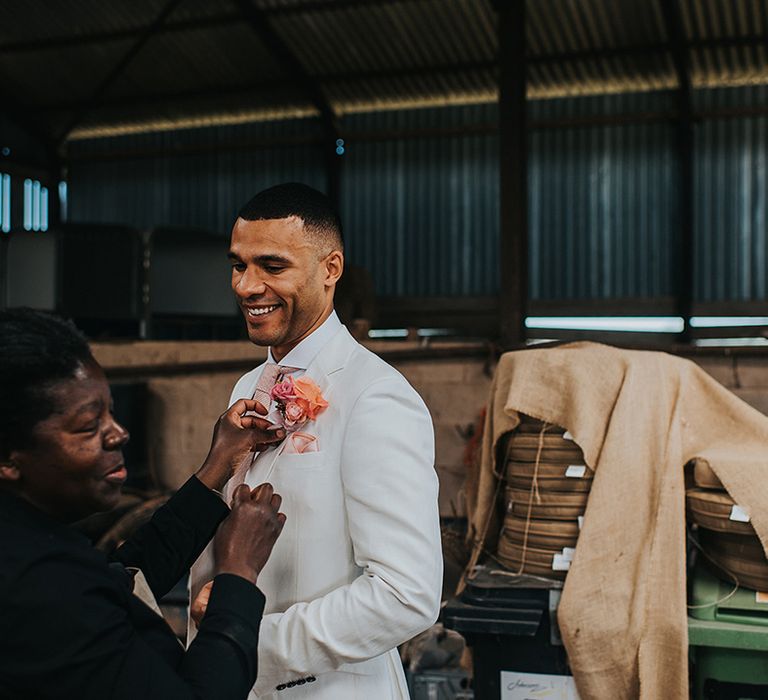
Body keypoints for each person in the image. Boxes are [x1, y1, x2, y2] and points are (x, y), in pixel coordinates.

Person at [190, 183, 443, 699]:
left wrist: (246, 638)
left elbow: (406, 595)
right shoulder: (247, 388)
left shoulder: (376, 397)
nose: (246, 286)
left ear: (330, 269)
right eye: (238, 265)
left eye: (272, 267)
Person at [0, 308, 287, 700]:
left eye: (110, 412)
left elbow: (123, 580)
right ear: (8, 460)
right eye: (88, 426)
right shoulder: (40, 589)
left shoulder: (29, 538)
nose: (118, 434)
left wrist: (215, 470)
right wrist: (238, 573)